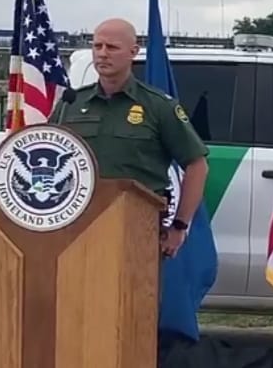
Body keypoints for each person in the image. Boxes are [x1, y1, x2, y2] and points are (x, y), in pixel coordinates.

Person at [49, 17, 209, 258]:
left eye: (112, 47)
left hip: (137, 227)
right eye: (97, 46)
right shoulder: (70, 104)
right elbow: (47, 153)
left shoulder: (157, 106)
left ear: (133, 52)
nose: (102, 54)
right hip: (77, 226)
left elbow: (197, 165)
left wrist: (179, 225)